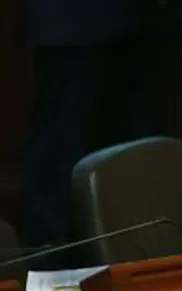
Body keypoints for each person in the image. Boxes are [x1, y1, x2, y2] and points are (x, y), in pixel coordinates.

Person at [20, 0, 163, 261]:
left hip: (136, 23)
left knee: (130, 155)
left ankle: (124, 259)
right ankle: (51, 268)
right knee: (61, 149)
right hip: (74, 24)